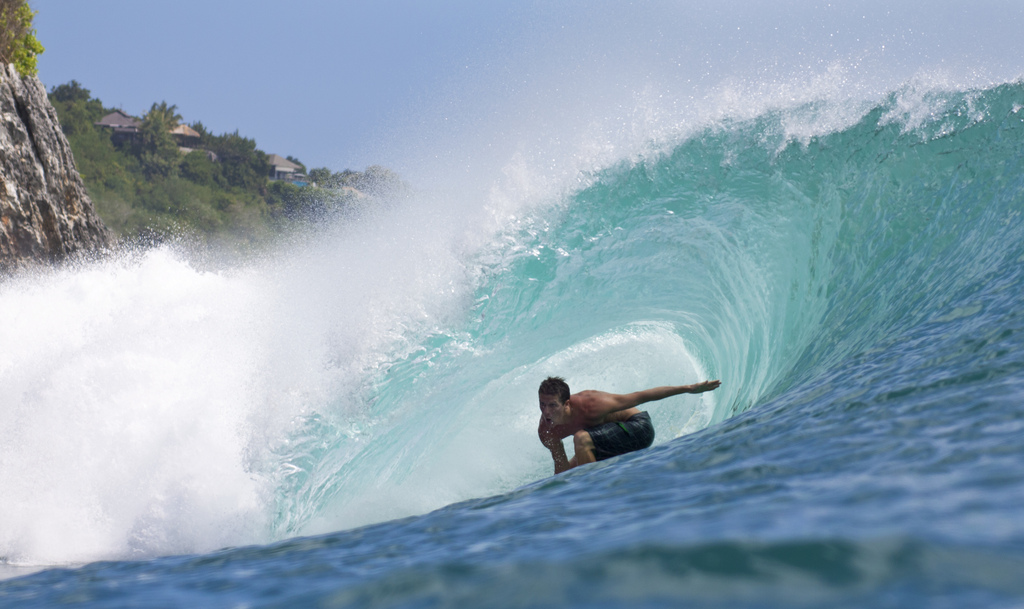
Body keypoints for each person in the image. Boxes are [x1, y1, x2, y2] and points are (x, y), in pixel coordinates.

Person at [537, 376, 721, 474]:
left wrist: (689, 388)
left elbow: (642, 395)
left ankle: (594, 495)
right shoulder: (547, 431)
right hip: (607, 441)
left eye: (553, 405)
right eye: (542, 405)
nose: (546, 412)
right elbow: (561, 470)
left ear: (567, 404)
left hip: (638, 429)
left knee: (581, 439)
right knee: (574, 466)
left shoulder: (592, 404)